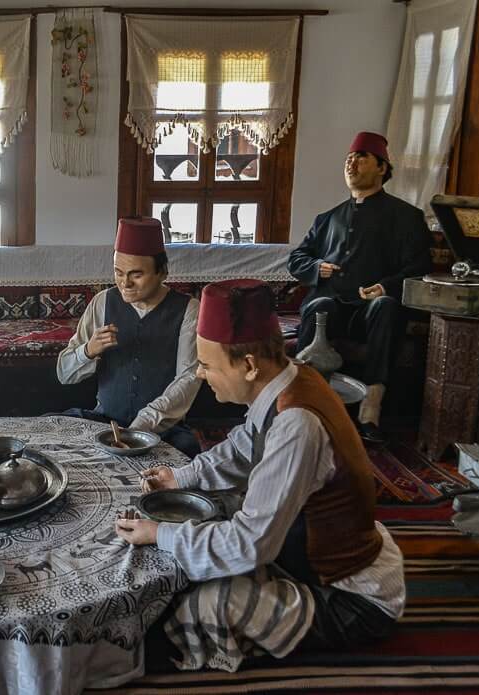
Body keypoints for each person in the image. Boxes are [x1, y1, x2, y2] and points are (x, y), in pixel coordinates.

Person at [115, 279, 405, 672]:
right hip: (309, 551)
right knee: (207, 520)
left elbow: (251, 544)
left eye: (207, 365)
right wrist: (180, 478)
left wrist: (159, 534)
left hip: (349, 595)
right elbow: (242, 446)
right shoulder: (289, 377)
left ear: (249, 366)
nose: (200, 375)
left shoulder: (297, 424)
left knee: (197, 605)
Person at [288, 131, 432, 443]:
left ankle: (372, 406)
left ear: (382, 168)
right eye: (348, 159)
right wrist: (316, 267)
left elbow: (420, 267)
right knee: (318, 305)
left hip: (371, 315)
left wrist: (386, 286)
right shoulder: (328, 218)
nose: (351, 163)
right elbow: (297, 258)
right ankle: (302, 405)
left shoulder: (406, 217)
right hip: (333, 308)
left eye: (360, 158)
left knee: (385, 306)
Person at [57, 217, 201, 458]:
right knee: (53, 429)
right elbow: (63, 374)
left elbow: (188, 379)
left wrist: (139, 428)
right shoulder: (103, 302)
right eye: (118, 272)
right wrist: (88, 351)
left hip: (162, 430)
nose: (125, 283)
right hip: (104, 422)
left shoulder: (189, 309)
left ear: (162, 272)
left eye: (136, 275)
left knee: (186, 454)